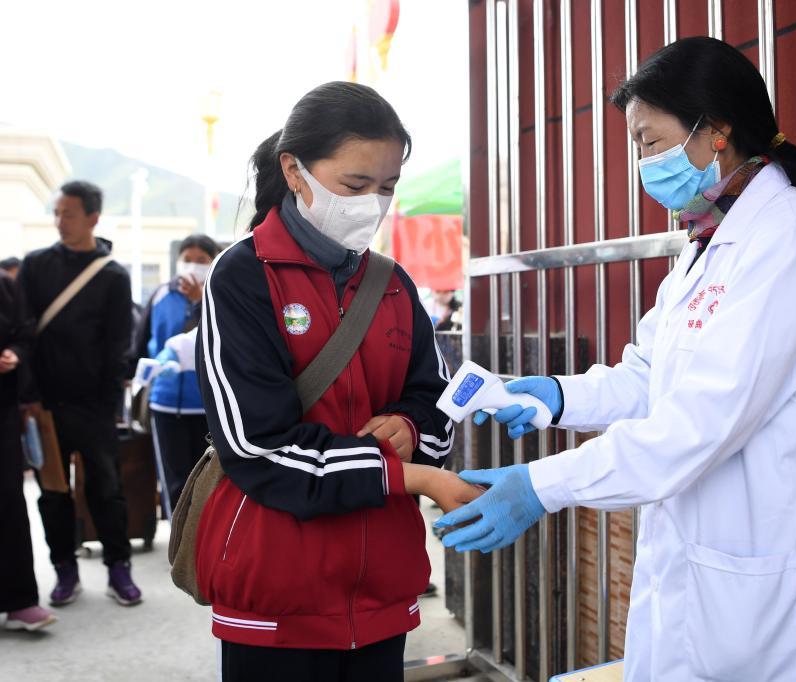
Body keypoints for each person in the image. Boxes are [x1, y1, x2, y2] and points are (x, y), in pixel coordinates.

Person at [437, 37, 796, 681]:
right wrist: (558, 395)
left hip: (773, 609)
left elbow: (701, 421)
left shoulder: (791, 235)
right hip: (695, 582)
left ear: (716, 130)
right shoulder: (704, 244)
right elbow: (651, 374)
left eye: (650, 141)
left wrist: (542, 485)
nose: (642, 163)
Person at [195, 81, 482, 682]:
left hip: (381, 591)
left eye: (387, 187)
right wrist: (410, 475)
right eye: (355, 185)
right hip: (277, 594)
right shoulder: (242, 275)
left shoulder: (393, 284)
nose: (372, 205)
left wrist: (409, 428)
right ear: (294, 171)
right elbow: (256, 445)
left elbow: (436, 407)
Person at [17, 180, 141, 607]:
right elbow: (24, 333)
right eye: (56, 214)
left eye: (68, 214)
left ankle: (118, 568)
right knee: (53, 492)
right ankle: (64, 570)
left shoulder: (112, 276)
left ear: (92, 218)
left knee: (107, 489)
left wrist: (108, 404)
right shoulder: (35, 266)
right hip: (44, 404)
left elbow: (119, 344)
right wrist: (29, 396)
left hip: (94, 406)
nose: (60, 222)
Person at [132, 234, 220, 520]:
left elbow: (220, 338)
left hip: (208, 404)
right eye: (187, 259)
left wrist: (200, 301)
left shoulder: (220, 294)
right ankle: (177, 537)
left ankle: (205, 539)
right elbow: (141, 342)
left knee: (209, 479)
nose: (192, 265)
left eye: (201, 260)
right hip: (166, 403)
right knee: (174, 481)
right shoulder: (161, 295)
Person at [0, 270, 57, 631]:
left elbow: (24, 332)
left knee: (8, 500)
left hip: (2, 409)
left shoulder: (5, 285)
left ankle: (19, 600)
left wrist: (14, 354)